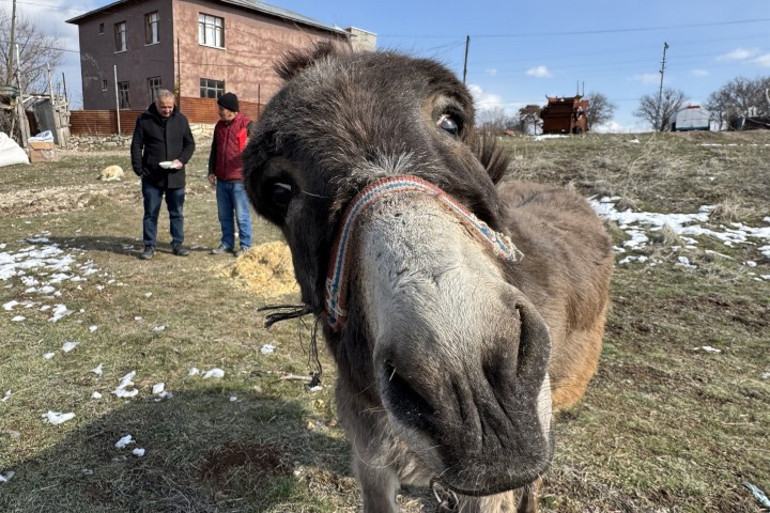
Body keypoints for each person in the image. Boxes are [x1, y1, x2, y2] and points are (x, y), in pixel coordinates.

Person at [130, 89, 196, 260]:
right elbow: (136, 145)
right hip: (152, 176)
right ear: (156, 104)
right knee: (151, 213)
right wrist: (139, 169)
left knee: (177, 212)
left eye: (170, 106)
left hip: (176, 176)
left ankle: (177, 243)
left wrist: (181, 160)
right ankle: (149, 245)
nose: (167, 110)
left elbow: (190, 144)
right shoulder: (144, 120)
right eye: (163, 107)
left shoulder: (181, 120)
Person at [208, 92, 253, 256]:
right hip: (222, 179)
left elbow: (259, 150)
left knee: (242, 215)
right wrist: (211, 170)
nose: (218, 111)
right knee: (224, 215)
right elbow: (215, 149)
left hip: (239, 180)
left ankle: (246, 246)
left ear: (230, 109)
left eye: (221, 108)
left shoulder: (248, 125)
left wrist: (250, 145)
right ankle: (227, 243)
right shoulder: (219, 126)